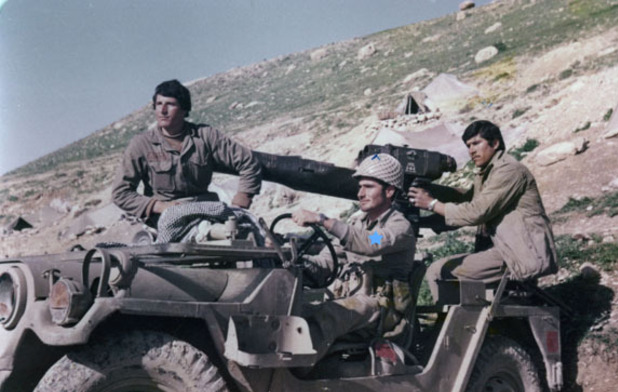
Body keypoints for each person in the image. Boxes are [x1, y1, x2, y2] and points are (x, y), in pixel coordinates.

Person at [407, 120, 557, 303]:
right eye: (468, 146)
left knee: (438, 271)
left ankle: (459, 319)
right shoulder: (488, 172)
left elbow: (475, 211)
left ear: (495, 143)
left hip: (519, 253)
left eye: (476, 143)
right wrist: (428, 202)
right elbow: (466, 202)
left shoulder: (509, 171)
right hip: (505, 249)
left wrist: (431, 203)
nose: (471, 151)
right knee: (438, 271)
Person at [290, 153, 417, 359]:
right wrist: (293, 259)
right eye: (360, 187)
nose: (360, 193)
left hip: (382, 309)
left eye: (369, 187)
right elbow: (327, 262)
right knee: (299, 312)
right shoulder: (357, 223)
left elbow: (370, 243)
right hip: (353, 302)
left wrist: (323, 220)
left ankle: (296, 368)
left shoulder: (399, 226)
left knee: (329, 315)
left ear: (389, 191)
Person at [112, 79, 261, 227]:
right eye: (159, 104)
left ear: (184, 109)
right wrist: (160, 206)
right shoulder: (142, 144)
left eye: (170, 104)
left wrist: (241, 200)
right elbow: (120, 193)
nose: (163, 110)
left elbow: (248, 162)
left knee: (247, 233)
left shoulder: (205, 136)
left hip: (208, 211)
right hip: (165, 218)